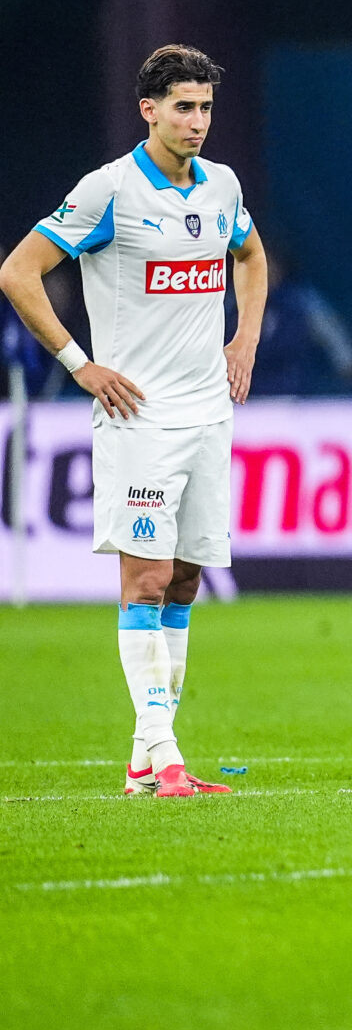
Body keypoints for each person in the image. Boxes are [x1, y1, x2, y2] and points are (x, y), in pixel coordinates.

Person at [0, 45, 266, 798]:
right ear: (148, 110)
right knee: (144, 579)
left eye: (206, 107)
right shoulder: (108, 190)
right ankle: (164, 753)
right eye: (183, 107)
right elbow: (18, 271)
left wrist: (244, 337)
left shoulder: (222, 186)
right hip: (139, 416)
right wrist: (79, 363)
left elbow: (250, 256)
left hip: (208, 412)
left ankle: (145, 763)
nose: (197, 121)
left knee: (183, 580)